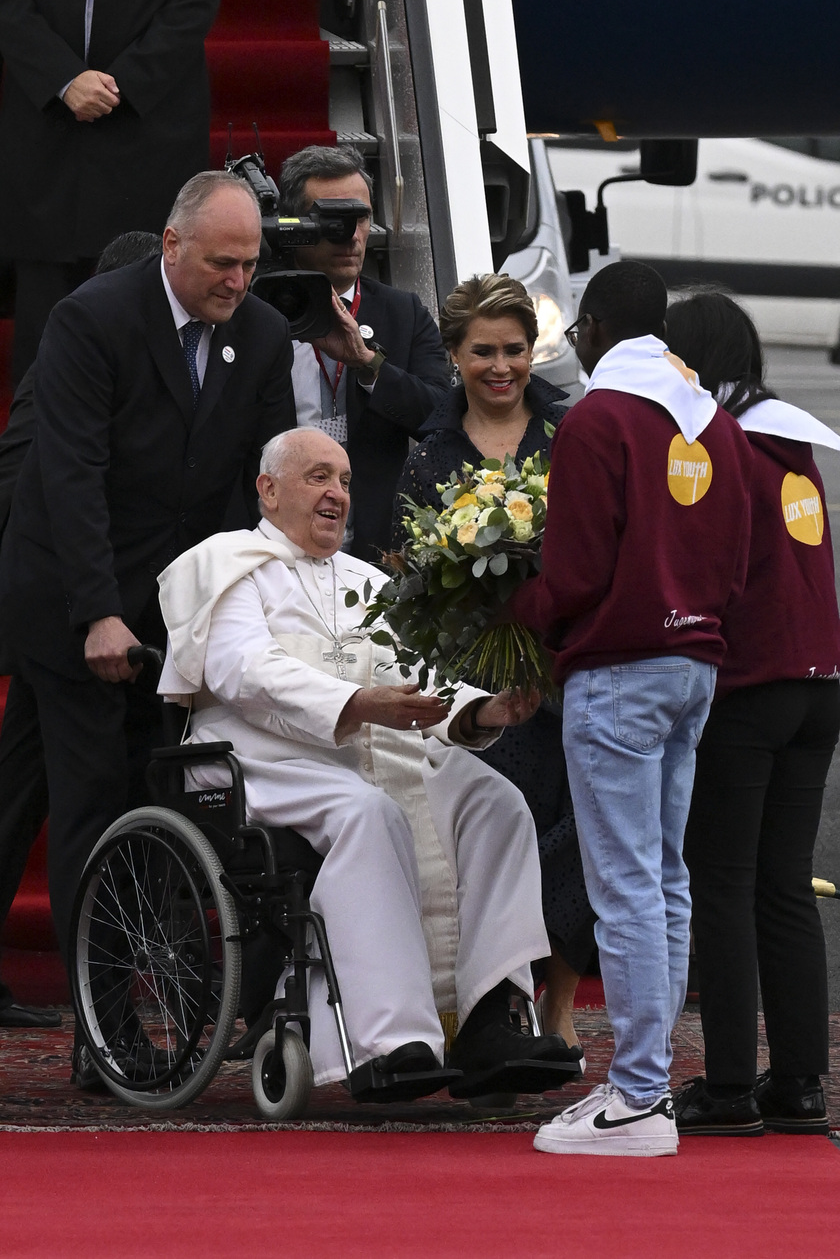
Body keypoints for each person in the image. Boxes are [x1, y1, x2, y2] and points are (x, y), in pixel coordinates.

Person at [157, 428, 583, 1098]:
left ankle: (487, 1019)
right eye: (318, 477)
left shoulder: (365, 580)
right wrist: (357, 702)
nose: (337, 494)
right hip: (259, 758)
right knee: (368, 812)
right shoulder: (227, 563)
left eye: (346, 480)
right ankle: (391, 1039)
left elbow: (411, 675)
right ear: (267, 490)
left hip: (365, 749)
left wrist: (478, 711)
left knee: (497, 804)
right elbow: (244, 670)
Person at [0, 171, 296, 1000]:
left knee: (160, 790)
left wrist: (264, 605)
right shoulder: (93, 318)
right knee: (92, 802)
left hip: (178, 609)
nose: (238, 280)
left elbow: (262, 485)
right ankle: (107, 1025)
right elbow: (71, 475)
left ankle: (166, 985)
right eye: (222, 263)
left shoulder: (263, 335)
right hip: (73, 597)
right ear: (172, 246)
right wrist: (97, 613)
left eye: (250, 264)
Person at [507, 260, 754, 1157]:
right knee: (665, 880)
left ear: (600, 327)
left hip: (619, 669)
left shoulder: (599, 418)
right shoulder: (713, 422)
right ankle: (646, 1085)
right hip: (695, 665)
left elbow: (572, 575)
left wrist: (513, 610)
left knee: (624, 890)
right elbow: (736, 562)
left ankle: (641, 1095)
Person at [391, 273, 595, 1055]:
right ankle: (499, 992)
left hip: (571, 665)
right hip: (480, 682)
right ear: (453, 354)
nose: (502, 366)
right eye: (484, 351)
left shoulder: (573, 430)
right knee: (498, 833)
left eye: (515, 349)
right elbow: (409, 575)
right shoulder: (428, 452)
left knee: (585, 831)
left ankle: (561, 999)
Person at [665, 291, 840, 1137]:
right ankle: (802, 1083)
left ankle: (728, 1084)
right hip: (818, 682)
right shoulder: (791, 439)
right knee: (784, 887)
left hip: (748, 688)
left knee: (722, 886)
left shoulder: (714, 442)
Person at [0, 231, 164, 1030]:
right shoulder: (70, 368)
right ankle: (104, 1013)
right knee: (64, 798)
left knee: (18, 791)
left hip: (66, 613)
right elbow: (25, 476)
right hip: (56, 614)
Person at [0, 0, 220, 385]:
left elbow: (191, 8)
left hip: (149, 122)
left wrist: (121, 85)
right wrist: (64, 79)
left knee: (145, 288)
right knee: (44, 309)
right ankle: (37, 434)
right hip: (46, 123)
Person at [278, 144, 451, 562]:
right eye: (334, 220)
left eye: (362, 218)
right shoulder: (257, 312)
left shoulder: (402, 312)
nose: (353, 236)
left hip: (377, 546)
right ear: (296, 224)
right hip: (275, 540)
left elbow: (442, 417)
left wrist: (369, 364)